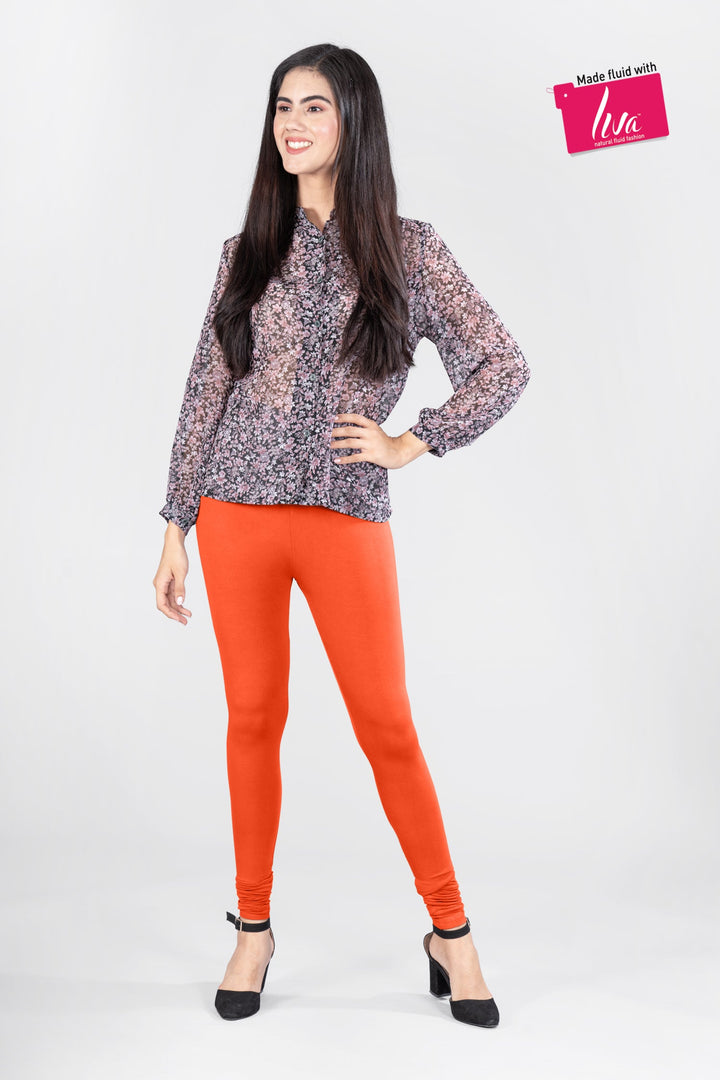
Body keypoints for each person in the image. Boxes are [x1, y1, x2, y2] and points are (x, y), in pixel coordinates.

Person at [153, 42, 530, 1028]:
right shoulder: (246, 251)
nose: (292, 123)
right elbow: (205, 388)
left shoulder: (409, 249)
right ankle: (253, 927)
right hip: (236, 512)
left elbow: (502, 363)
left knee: (386, 725)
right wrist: (176, 522)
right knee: (252, 719)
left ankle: (451, 933)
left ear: (353, 121)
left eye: (313, 106)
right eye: (283, 106)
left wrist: (415, 440)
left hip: (344, 511)